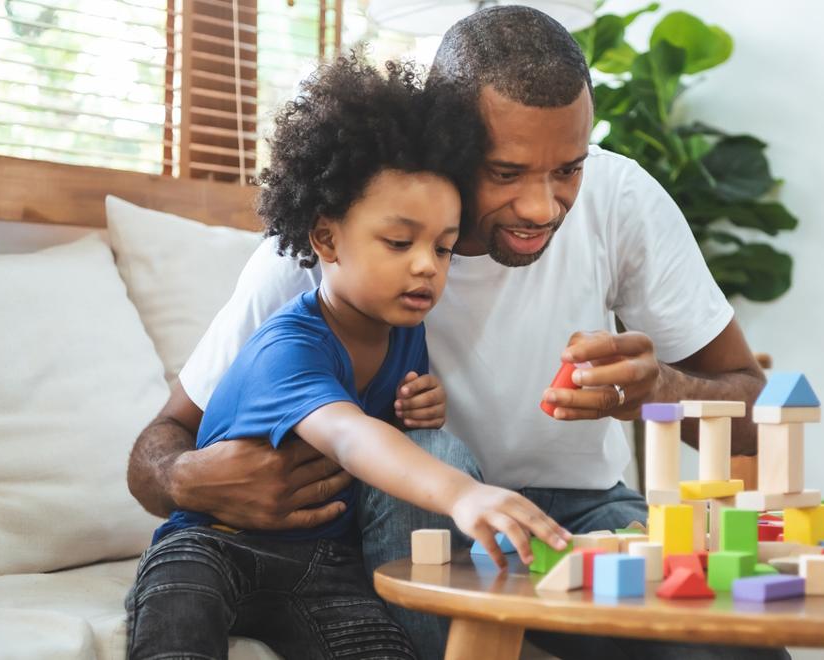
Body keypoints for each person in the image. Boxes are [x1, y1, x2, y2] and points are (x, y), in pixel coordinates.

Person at [128, 6, 784, 660]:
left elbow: (757, 412)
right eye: (506, 172)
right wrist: (191, 480)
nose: (542, 206)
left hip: (580, 516)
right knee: (434, 457)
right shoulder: (333, 250)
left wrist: (660, 389)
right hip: (416, 520)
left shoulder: (620, 199)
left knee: (739, 644)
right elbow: (158, 449)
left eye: (568, 169)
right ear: (446, 140)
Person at [125, 56, 569, 660]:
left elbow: (378, 431)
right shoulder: (288, 346)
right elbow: (349, 435)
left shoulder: (403, 326)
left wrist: (419, 406)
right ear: (326, 238)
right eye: (398, 242)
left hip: (323, 562)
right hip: (213, 545)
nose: (425, 266)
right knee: (178, 626)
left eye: (442, 249)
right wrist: (462, 494)